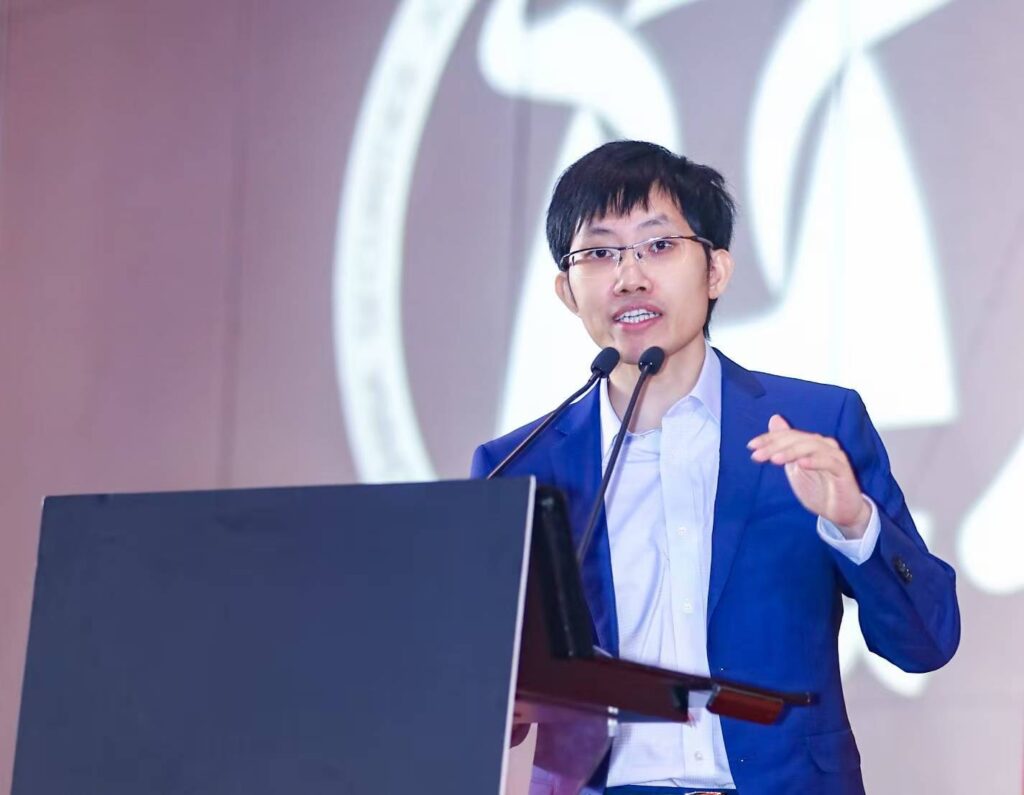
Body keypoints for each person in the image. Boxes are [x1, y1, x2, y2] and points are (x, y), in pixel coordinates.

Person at [470, 141, 960, 795]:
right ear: (566, 289)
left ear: (716, 271)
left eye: (658, 244)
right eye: (600, 252)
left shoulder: (815, 424)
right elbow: (479, 695)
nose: (629, 276)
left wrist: (854, 522)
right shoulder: (518, 465)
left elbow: (925, 644)